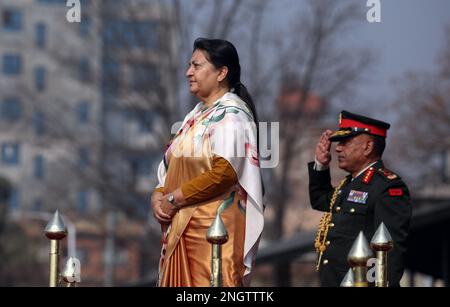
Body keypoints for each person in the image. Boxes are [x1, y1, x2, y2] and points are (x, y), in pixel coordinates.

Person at [151, 38, 264, 287]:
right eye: (189, 65)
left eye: (197, 66)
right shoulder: (195, 116)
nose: (188, 72)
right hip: (181, 227)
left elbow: (224, 172)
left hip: (213, 232)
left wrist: (173, 199)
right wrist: (159, 194)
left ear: (222, 72)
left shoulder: (232, 114)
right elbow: (170, 166)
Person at [309, 110, 412, 287]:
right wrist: (321, 165)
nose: (338, 148)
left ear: (368, 147)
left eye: (345, 142)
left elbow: (388, 252)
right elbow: (320, 200)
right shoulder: (349, 185)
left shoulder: (387, 186)